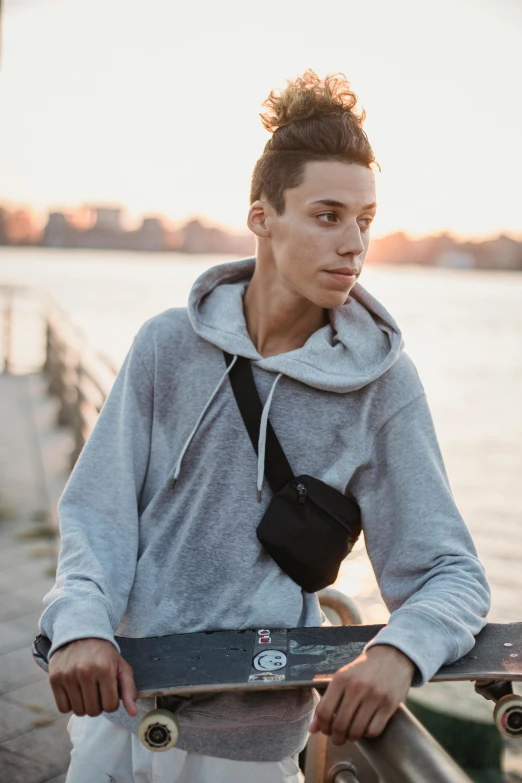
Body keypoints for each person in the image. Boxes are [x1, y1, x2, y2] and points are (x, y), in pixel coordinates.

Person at [39, 70, 491, 783]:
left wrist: (396, 653)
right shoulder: (167, 345)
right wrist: (80, 626)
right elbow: (98, 514)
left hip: (246, 745)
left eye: (365, 221)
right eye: (327, 215)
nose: (353, 244)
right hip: (114, 710)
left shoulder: (383, 386)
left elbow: (451, 573)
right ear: (262, 217)